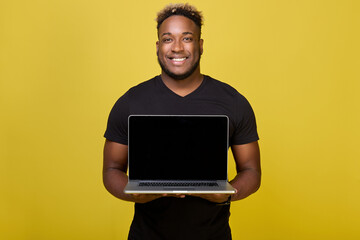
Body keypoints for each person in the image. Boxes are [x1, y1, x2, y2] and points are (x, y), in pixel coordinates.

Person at [103, 3, 261, 240]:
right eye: (168, 39)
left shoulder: (233, 102)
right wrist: (134, 194)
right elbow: (111, 169)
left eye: (187, 38)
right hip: (147, 235)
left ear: (200, 45)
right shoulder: (130, 102)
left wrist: (228, 194)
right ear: (158, 47)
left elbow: (251, 170)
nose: (177, 48)